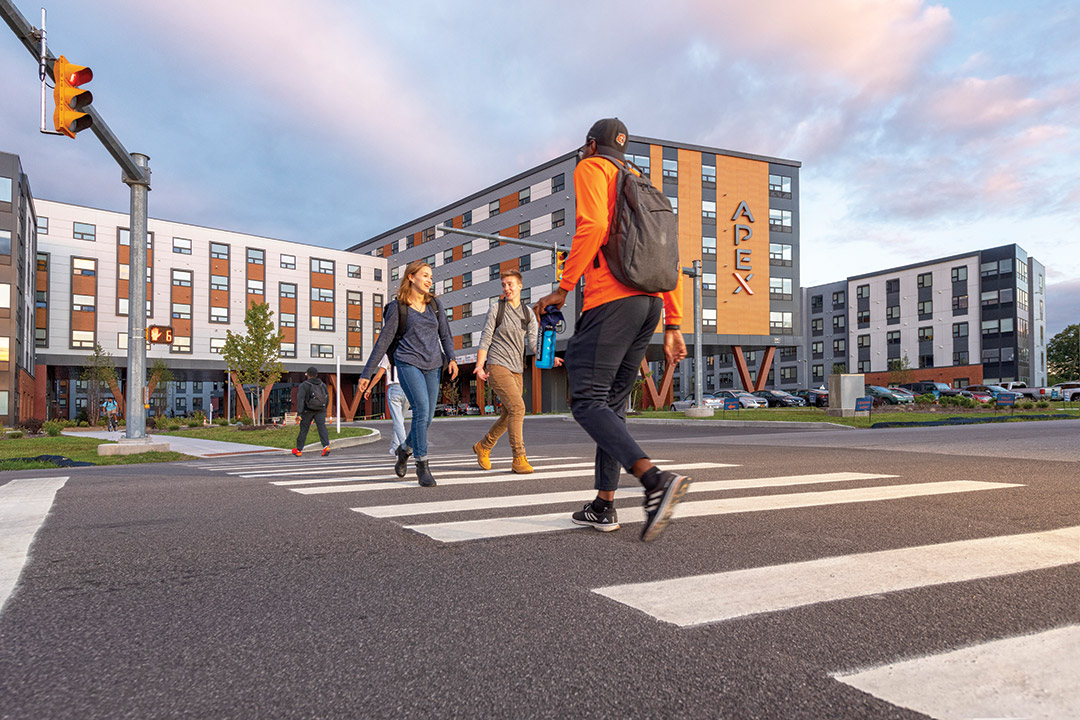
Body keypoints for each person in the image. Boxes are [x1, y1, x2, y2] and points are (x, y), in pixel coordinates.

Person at [535, 117, 690, 542]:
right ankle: (604, 505)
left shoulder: (592, 169)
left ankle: (655, 480)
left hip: (611, 300)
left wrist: (564, 288)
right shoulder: (644, 184)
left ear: (589, 145)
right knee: (611, 407)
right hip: (651, 305)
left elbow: (593, 227)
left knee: (586, 400)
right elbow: (670, 258)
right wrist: (673, 323)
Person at [358, 259, 458, 487]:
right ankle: (422, 465)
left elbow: (445, 334)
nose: (429, 280)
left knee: (428, 418)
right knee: (421, 410)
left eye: (431, 277)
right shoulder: (397, 308)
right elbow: (382, 342)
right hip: (407, 363)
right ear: (411, 277)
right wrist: (366, 373)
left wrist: (451, 358)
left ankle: (404, 450)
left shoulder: (435, 305)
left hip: (433, 364)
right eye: (425, 275)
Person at [472, 269, 561, 474]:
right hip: (497, 364)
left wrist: (549, 357)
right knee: (518, 408)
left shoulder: (527, 313)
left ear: (520, 286)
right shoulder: (497, 309)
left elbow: (533, 342)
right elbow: (486, 337)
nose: (507, 288)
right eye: (503, 285)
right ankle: (518, 457)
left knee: (508, 413)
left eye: (510, 284)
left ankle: (484, 446)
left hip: (516, 369)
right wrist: (479, 364)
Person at [366, 354, 410, 459]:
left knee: (398, 421)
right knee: (399, 420)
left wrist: (369, 388)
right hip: (408, 389)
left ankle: (404, 449)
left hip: (395, 389)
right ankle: (395, 447)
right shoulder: (408, 352)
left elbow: (379, 375)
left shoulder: (389, 355)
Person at [293, 366, 331, 457]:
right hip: (321, 409)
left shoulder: (304, 385)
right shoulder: (322, 385)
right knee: (322, 427)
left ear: (308, 375)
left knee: (304, 429)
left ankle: (298, 450)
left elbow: (301, 399)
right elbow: (327, 398)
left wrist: (299, 413)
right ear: (316, 375)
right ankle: (326, 446)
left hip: (308, 410)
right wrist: (324, 408)